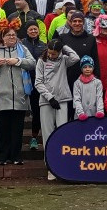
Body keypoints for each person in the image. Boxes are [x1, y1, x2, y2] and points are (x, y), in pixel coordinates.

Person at [0, 26, 36, 165]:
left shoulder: (23, 50)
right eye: (8, 35)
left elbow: (32, 63)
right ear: (2, 37)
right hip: (1, 96)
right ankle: (2, 156)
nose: (11, 37)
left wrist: (18, 61)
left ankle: (16, 156)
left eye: (14, 35)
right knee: (2, 128)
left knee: (17, 128)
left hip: (20, 95)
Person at [34, 39, 80, 174]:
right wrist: (50, 97)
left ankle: (61, 164)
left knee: (62, 132)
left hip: (63, 99)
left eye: (54, 54)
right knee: (47, 133)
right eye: (49, 52)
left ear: (59, 52)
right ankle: (49, 165)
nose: (51, 55)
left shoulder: (64, 60)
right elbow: (38, 82)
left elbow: (76, 58)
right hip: (46, 101)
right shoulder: (41, 60)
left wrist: (64, 45)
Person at [21, 22, 48, 148]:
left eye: (35, 29)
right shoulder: (21, 44)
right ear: (26, 31)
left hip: (38, 81)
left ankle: (34, 137)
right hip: (23, 80)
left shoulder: (43, 45)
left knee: (37, 111)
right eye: (30, 29)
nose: (33, 31)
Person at [60, 10, 99, 90]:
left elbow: (95, 59)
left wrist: (97, 77)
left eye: (80, 21)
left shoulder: (91, 39)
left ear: (83, 22)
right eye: (74, 21)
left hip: (86, 79)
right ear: (70, 23)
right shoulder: (63, 38)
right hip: (67, 79)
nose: (77, 23)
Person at [72, 55, 105, 120]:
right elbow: (76, 99)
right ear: (81, 69)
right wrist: (80, 113)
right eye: (85, 67)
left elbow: (99, 97)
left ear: (93, 68)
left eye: (90, 67)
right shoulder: (77, 83)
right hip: (80, 117)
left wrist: (100, 111)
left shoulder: (98, 82)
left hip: (94, 115)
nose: (87, 69)